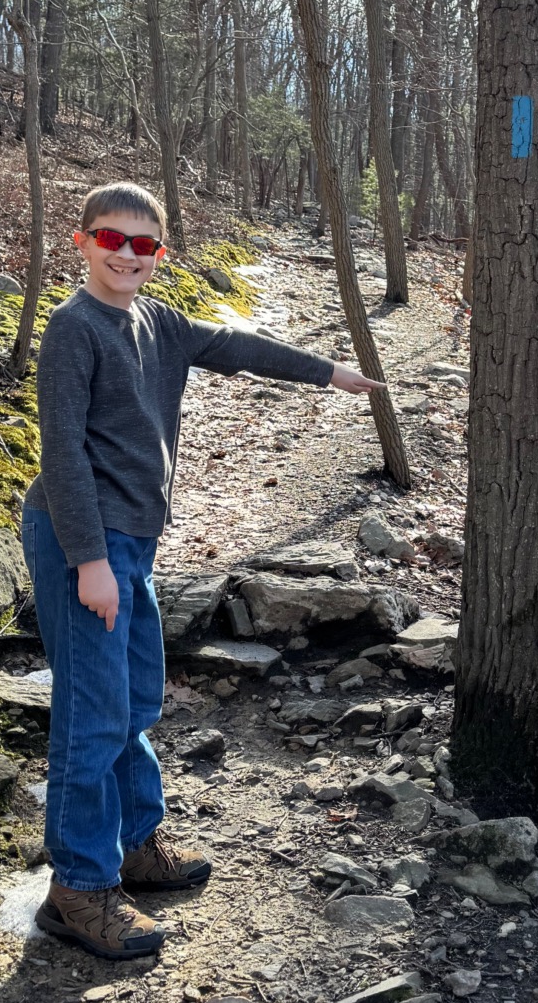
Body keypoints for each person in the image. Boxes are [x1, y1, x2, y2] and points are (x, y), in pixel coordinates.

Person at [20, 180, 380, 960]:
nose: (127, 255)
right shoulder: (73, 328)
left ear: (160, 253)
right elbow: (63, 453)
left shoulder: (160, 322)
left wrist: (330, 372)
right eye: (111, 239)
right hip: (80, 538)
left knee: (135, 698)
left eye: (143, 245)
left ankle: (135, 846)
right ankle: (78, 889)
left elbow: (240, 347)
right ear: (82, 241)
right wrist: (89, 563)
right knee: (93, 713)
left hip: (131, 542)